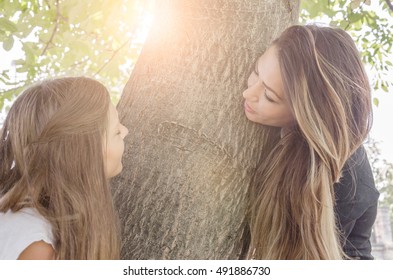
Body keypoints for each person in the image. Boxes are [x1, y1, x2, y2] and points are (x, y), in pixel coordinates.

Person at [242, 24, 379, 259]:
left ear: (305, 116)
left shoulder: (345, 183)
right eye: (256, 71)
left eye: (269, 96)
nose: (248, 94)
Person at [0, 77, 129, 259]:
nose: (126, 131)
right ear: (82, 153)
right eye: (116, 130)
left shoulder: (29, 222)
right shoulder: (36, 245)